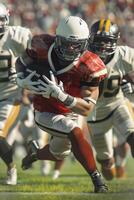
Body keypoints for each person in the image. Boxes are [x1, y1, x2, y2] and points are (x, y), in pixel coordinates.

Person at [15, 16, 108, 193]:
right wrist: (21, 80)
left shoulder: (91, 65)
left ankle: (34, 154)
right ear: (57, 38)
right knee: (74, 131)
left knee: (59, 153)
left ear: (85, 43)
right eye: (66, 43)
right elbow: (20, 63)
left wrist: (61, 95)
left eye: (76, 44)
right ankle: (97, 179)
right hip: (45, 110)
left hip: (71, 109)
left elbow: (87, 108)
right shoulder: (42, 45)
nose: (71, 48)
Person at [87, 18, 134, 180]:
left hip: (117, 105)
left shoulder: (123, 54)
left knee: (133, 136)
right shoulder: (82, 58)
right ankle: (112, 164)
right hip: (95, 115)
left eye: (107, 41)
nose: (102, 46)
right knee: (107, 168)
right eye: (99, 41)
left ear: (115, 41)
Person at [0, 3, 32, 185]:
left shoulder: (17, 36)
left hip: (10, 97)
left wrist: (22, 73)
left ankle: (11, 169)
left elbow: (36, 60)